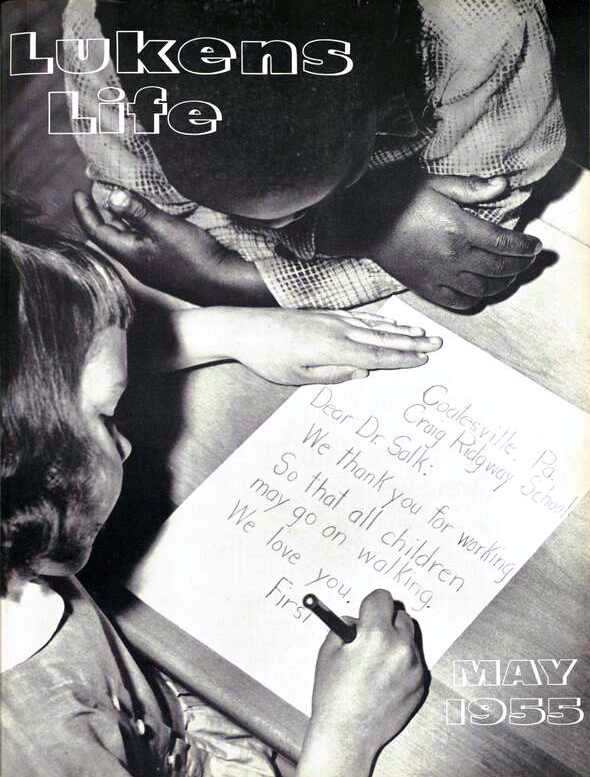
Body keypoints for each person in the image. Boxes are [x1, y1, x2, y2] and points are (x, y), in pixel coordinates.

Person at [1, 206, 427, 776]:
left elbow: (48, 365)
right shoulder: (36, 748)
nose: (124, 444)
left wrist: (231, 330)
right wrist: (345, 740)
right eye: (107, 416)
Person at [63, 0, 564, 311]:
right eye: (232, 208)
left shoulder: (481, 21)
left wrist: (229, 279)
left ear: (378, 104)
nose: (278, 227)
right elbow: (157, 218)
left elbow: (466, 241)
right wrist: (376, 227)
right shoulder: (97, 36)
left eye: (305, 208)